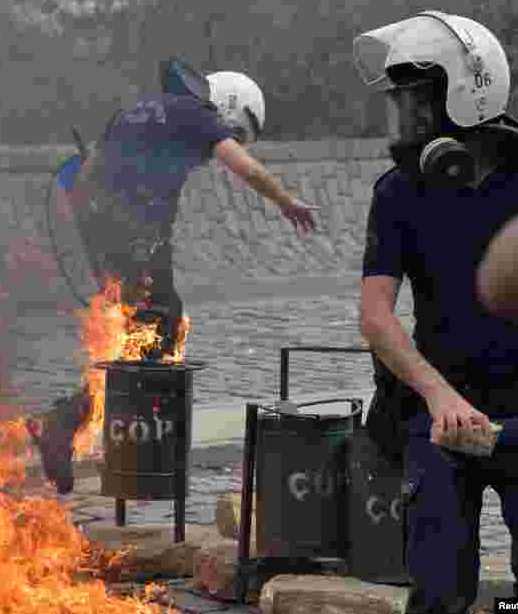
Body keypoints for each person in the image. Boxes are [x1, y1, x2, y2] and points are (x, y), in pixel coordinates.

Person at [30, 57, 319, 493]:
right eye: (234, 133)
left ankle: (77, 421)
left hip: (104, 236)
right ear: (227, 105)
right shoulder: (197, 115)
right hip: (135, 239)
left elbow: (88, 175)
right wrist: (287, 201)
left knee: (144, 335)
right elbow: (249, 170)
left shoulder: (142, 109)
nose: (228, 144)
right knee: (159, 331)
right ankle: (67, 423)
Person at [355, 10, 518, 612]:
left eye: (412, 100)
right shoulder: (399, 191)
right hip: (439, 422)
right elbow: (376, 317)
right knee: (436, 594)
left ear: (463, 95)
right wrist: (437, 396)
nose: (400, 118)